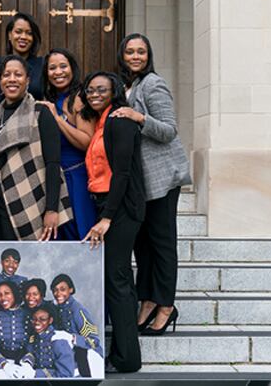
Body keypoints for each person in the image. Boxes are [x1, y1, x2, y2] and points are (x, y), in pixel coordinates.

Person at [110, 33, 191, 336]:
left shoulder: (153, 84)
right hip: (140, 182)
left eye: (141, 52)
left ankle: (166, 306)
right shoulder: (126, 86)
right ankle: (147, 301)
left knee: (162, 243)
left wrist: (138, 116)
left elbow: (169, 130)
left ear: (148, 56)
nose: (135, 56)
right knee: (142, 245)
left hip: (162, 179)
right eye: (129, 51)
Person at [0, 55, 73, 241]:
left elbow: (53, 164)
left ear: (27, 80)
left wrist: (51, 209)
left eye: (18, 74)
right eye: (6, 75)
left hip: (30, 203)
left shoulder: (40, 114)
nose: (12, 79)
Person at [80, 71, 144, 373]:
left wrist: (107, 217)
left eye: (101, 89)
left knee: (116, 279)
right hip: (108, 203)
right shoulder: (103, 122)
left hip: (119, 207)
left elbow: (123, 173)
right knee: (121, 281)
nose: (95, 93)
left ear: (115, 90)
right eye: (90, 89)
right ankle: (125, 354)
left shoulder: (119, 121)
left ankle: (126, 359)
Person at [36, 48, 97, 240]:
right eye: (52, 68)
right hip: (53, 179)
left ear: (72, 68)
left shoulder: (79, 98)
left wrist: (57, 118)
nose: (58, 72)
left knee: (78, 233)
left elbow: (87, 141)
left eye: (63, 66)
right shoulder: (49, 100)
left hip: (75, 178)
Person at [50, 273, 104, 377]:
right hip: (69, 356)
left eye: (62, 289)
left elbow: (94, 342)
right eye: (55, 290)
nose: (58, 293)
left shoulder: (78, 310)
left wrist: (71, 338)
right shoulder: (57, 308)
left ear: (70, 289)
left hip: (87, 358)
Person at [19, 304, 76, 378]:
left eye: (42, 319)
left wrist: (36, 373)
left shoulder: (59, 341)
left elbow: (66, 375)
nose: (37, 322)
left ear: (50, 320)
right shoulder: (35, 336)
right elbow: (31, 352)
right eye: (34, 319)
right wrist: (27, 363)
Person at [0, 281, 31, 362]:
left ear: (14, 293)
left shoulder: (29, 315)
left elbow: (32, 344)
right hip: (1, 362)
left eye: (7, 293)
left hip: (25, 362)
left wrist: (28, 362)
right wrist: (3, 364)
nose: (3, 298)